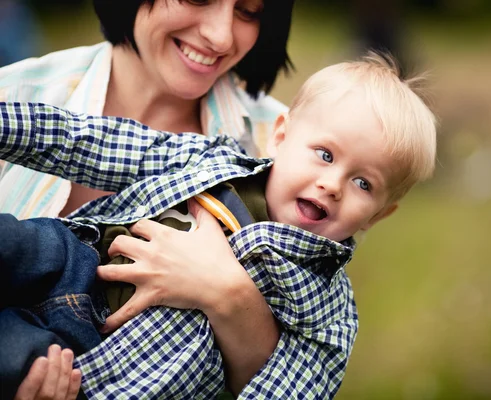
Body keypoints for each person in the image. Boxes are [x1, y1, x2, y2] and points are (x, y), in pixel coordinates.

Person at [0, 53, 437, 399]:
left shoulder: (326, 308)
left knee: (18, 365)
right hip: (72, 260)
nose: (332, 184)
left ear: (380, 214)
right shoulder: (211, 161)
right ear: (281, 136)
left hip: (89, 362)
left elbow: (294, 389)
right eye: (325, 154)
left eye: (363, 183)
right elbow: (95, 143)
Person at [0, 0, 299, 397]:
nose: (221, 35)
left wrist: (230, 295)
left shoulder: (294, 150)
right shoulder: (15, 97)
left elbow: (298, 374)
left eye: (248, 11)